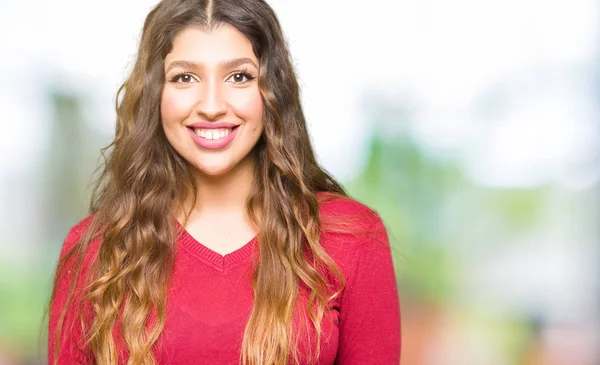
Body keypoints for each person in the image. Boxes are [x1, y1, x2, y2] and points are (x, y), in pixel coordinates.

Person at [47, 0, 401, 364]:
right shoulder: (94, 251)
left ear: (272, 92)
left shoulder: (350, 237)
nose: (212, 105)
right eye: (185, 77)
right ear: (155, 94)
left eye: (239, 76)